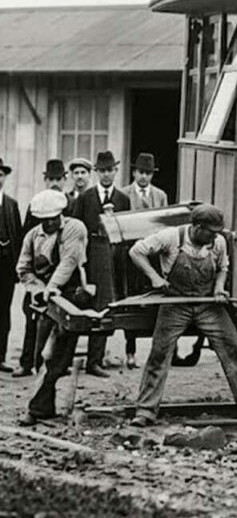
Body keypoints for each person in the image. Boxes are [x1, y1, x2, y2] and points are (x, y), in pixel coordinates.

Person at [127, 204, 237, 426]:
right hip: (175, 303)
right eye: (211, 232)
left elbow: (222, 268)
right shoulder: (170, 237)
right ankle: (145, 411)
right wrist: (155, 278)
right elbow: (136, 251)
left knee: (232, 348)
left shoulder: (218, 242)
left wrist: (218, 289)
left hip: (208, 306)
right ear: (197, 227)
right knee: (159, 354)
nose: (215, 236)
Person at [15, 190, 89, 426]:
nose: (49, 223)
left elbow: (69, 262)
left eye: (53, 218)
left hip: (71, 296)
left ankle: (36, 409)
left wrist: (53, 287)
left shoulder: (74, 228)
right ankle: (44, 406)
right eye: (44, 219)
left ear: (61, 214)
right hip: (47, 301)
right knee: (42, 354)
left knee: (57, 355)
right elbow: (23, 269)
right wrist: (39, 289)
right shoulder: (32, 237)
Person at [70, 150, 130, 377]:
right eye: (102, 171)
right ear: (96, 172)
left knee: (106, 306)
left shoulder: (123, 199)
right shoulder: (86, 198)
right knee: (82, 303)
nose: (106, 175)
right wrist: (79, 264)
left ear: (116, 171)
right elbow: (75, 230)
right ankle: (70, 359)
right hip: (90, 254)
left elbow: (128, 233)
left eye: (110, 170)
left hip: (114, 256)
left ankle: (96, 359)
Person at [14, 159, 70, 377]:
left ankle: (56, 366)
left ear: (65, 180)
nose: (55, 183)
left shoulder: (69, 203)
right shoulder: (35, 205)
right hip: (38, 274)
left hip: (61, 276)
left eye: (59, 179)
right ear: (45, 180)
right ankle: (27, 361)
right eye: (51, 179)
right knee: (31, 317)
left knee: (60, 324)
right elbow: (27, 237)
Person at [123, 152, 169, 369]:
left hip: (154, 254)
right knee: (132, 300)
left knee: (157, 300)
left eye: (148, 173)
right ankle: (130, 351)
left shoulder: (160, 195)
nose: (144, 177)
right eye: (140, 172)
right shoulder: (124, 194)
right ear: (134, 172)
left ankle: (159, 352)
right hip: (132, 255)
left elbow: (165, 227)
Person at [0, 158, 23, 373]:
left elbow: (18, 236)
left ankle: (1, 357)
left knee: (3, 312)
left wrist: (18, 270)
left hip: (5, 270)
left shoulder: (11, 204)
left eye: (0, 174)